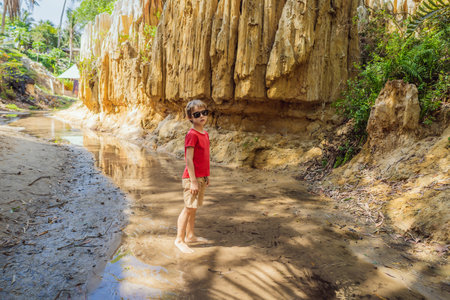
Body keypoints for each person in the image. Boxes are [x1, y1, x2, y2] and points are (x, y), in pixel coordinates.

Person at [174, 99, 211, 253]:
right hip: (191, 178)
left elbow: (204, 157)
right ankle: (179, 239)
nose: (201, 116)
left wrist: (207, 176)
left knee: (194, 208)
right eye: (197, 114)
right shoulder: (192, 134)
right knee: (188, 208)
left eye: (204, 112)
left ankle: (190, 235)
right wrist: (194, 181)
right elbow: (189, 158)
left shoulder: (205, 133)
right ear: (190, 117)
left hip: (201, 177)